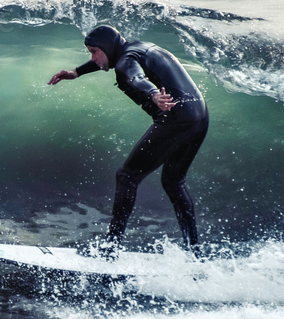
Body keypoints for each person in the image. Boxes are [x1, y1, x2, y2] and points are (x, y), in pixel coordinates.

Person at [49, 25, 208, 252]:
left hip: (175, 119)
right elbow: (125, 64)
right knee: (173, 181)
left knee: (127, 176)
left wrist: (153, 94)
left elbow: (134, 76)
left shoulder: (125, 62)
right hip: (199, 116)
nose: (93, 58)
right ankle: (194, 250)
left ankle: (112, 247)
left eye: (94, 51)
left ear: (106, 47)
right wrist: (77, 72)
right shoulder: (139, 48)